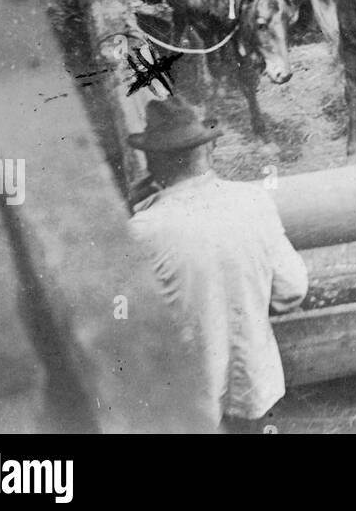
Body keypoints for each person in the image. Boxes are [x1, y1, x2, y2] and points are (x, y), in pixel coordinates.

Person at [127, 98, 309, 433]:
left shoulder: (143, 230)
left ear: (152, 163)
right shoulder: (254, 201)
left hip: (188, 407)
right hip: (254, 390)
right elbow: (292, 290)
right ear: (206, 151)